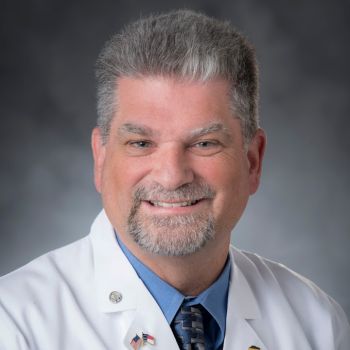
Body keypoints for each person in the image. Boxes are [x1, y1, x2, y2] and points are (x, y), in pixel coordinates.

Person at [0, 9, 349, 350]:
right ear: (101, 158)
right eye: (140, 143)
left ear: (252, 161)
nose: (171, 176)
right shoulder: (14, 324)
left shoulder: (316, 322)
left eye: (204, 143)